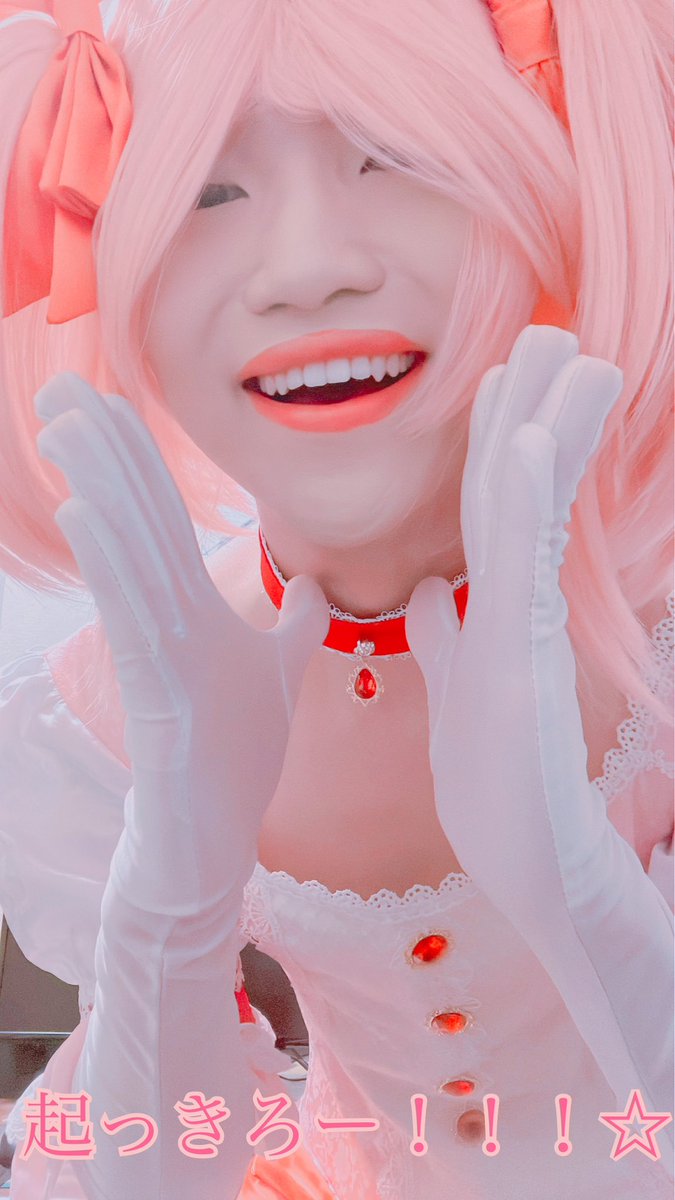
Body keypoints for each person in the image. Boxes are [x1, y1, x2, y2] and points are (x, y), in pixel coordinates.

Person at [0, 1, 672, 1197]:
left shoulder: (657, 632)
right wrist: (173, 887)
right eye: (204, 190)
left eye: (398, 155)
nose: (309, 269)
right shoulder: (104, 715)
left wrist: (577, 884)